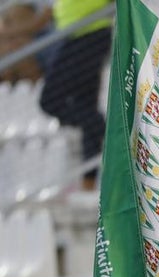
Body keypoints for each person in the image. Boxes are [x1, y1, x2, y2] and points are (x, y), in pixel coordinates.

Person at [38, 0, 112, 187]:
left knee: (49, 100)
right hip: (79, 31)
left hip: (88, 31)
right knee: (86, 106)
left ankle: (106, 129)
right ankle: (89, 181)